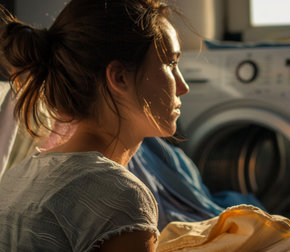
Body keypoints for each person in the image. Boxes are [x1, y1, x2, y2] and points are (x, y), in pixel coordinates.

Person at [0, 0, 189, 250]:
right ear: (119, 77)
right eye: (171, 64)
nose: (183, 87)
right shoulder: (121, 197)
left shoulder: (16, 177)